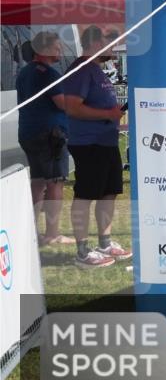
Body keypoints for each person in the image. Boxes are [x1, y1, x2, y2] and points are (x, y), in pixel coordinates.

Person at [62, 25, 130, 269]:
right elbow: (72, 107)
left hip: (106, 141)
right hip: (88, 142)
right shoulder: (81, 69)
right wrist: (107, 113)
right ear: (94, 44)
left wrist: (113, 117)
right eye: (108, 42)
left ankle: (105, 242)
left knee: (108, 192)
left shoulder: (97, 70)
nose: (112, 46)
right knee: (86, 194)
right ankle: (82, 251)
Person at [16, 32, 73, 246]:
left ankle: (31, 230)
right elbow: (63, 103)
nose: (60, 51)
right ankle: (52, 233)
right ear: (44, 50)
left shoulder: (24, 72)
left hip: (29, 132)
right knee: (55, 183)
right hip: (51, 135)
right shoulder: (48, 74)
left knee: (38, 183)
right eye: (57, 47)